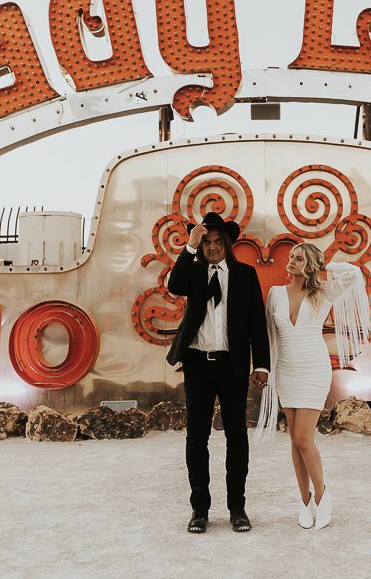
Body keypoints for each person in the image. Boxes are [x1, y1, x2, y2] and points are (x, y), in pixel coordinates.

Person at [253, 242, 371, 530]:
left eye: (299, 258)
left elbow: (353, 274)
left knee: (305, 440)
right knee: (295, 441)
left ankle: (322, 497)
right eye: (292, 257)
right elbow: (269, 336)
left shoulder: (323, 292)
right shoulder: (276, 295)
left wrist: (323, 266)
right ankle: (304, 501)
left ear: (310, 265)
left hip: (313, 370)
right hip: (287, 371)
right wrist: (264, 369)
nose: (291, 261)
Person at [166, 212, 270, 534]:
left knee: (237, 437)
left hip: (232, 365)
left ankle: (237, 507)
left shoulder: (245, 275)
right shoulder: (194, 273)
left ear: (226, 243)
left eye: (216, 241)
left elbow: (256, 323)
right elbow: (174, 285)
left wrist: (261, 364)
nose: (212, 247)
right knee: (197, 437)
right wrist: (188, 246)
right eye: (206, 242)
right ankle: (200, 509)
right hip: (198, 363)